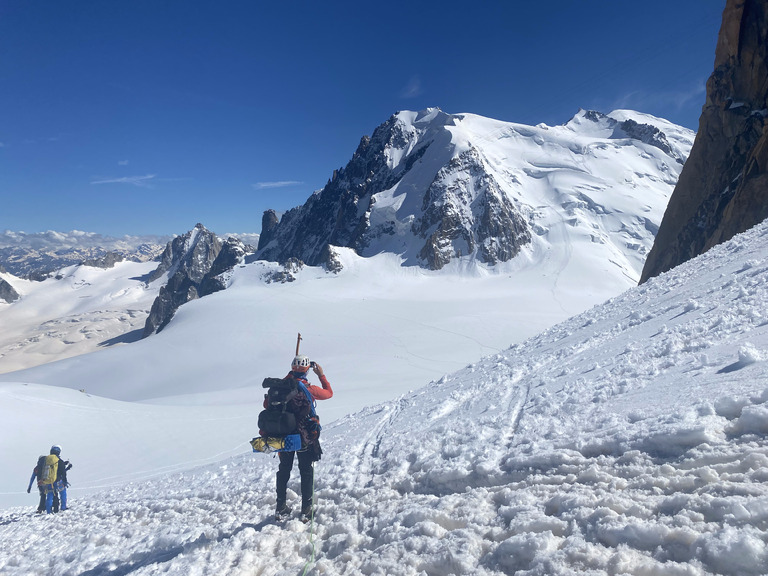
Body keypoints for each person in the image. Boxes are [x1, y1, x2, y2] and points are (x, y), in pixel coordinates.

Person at [274, 354, 333, 522]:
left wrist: (290, 376)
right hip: (303, 435)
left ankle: (280, 507)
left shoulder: (281, 387)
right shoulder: (309, 388)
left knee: (284, 469)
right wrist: (321, 374)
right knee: (306, 470)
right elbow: (329, 393)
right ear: (307, 370)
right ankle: (306, 510)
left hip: (283, 435)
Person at [27, 445, 61, 514]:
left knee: (43, 495)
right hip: (47, 481)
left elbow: (32, 477)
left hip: (40, 483)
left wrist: (29, 486)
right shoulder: (46, 466)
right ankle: (54, 507)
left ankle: (41, 508)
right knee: (52, 494)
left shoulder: (36, 468)